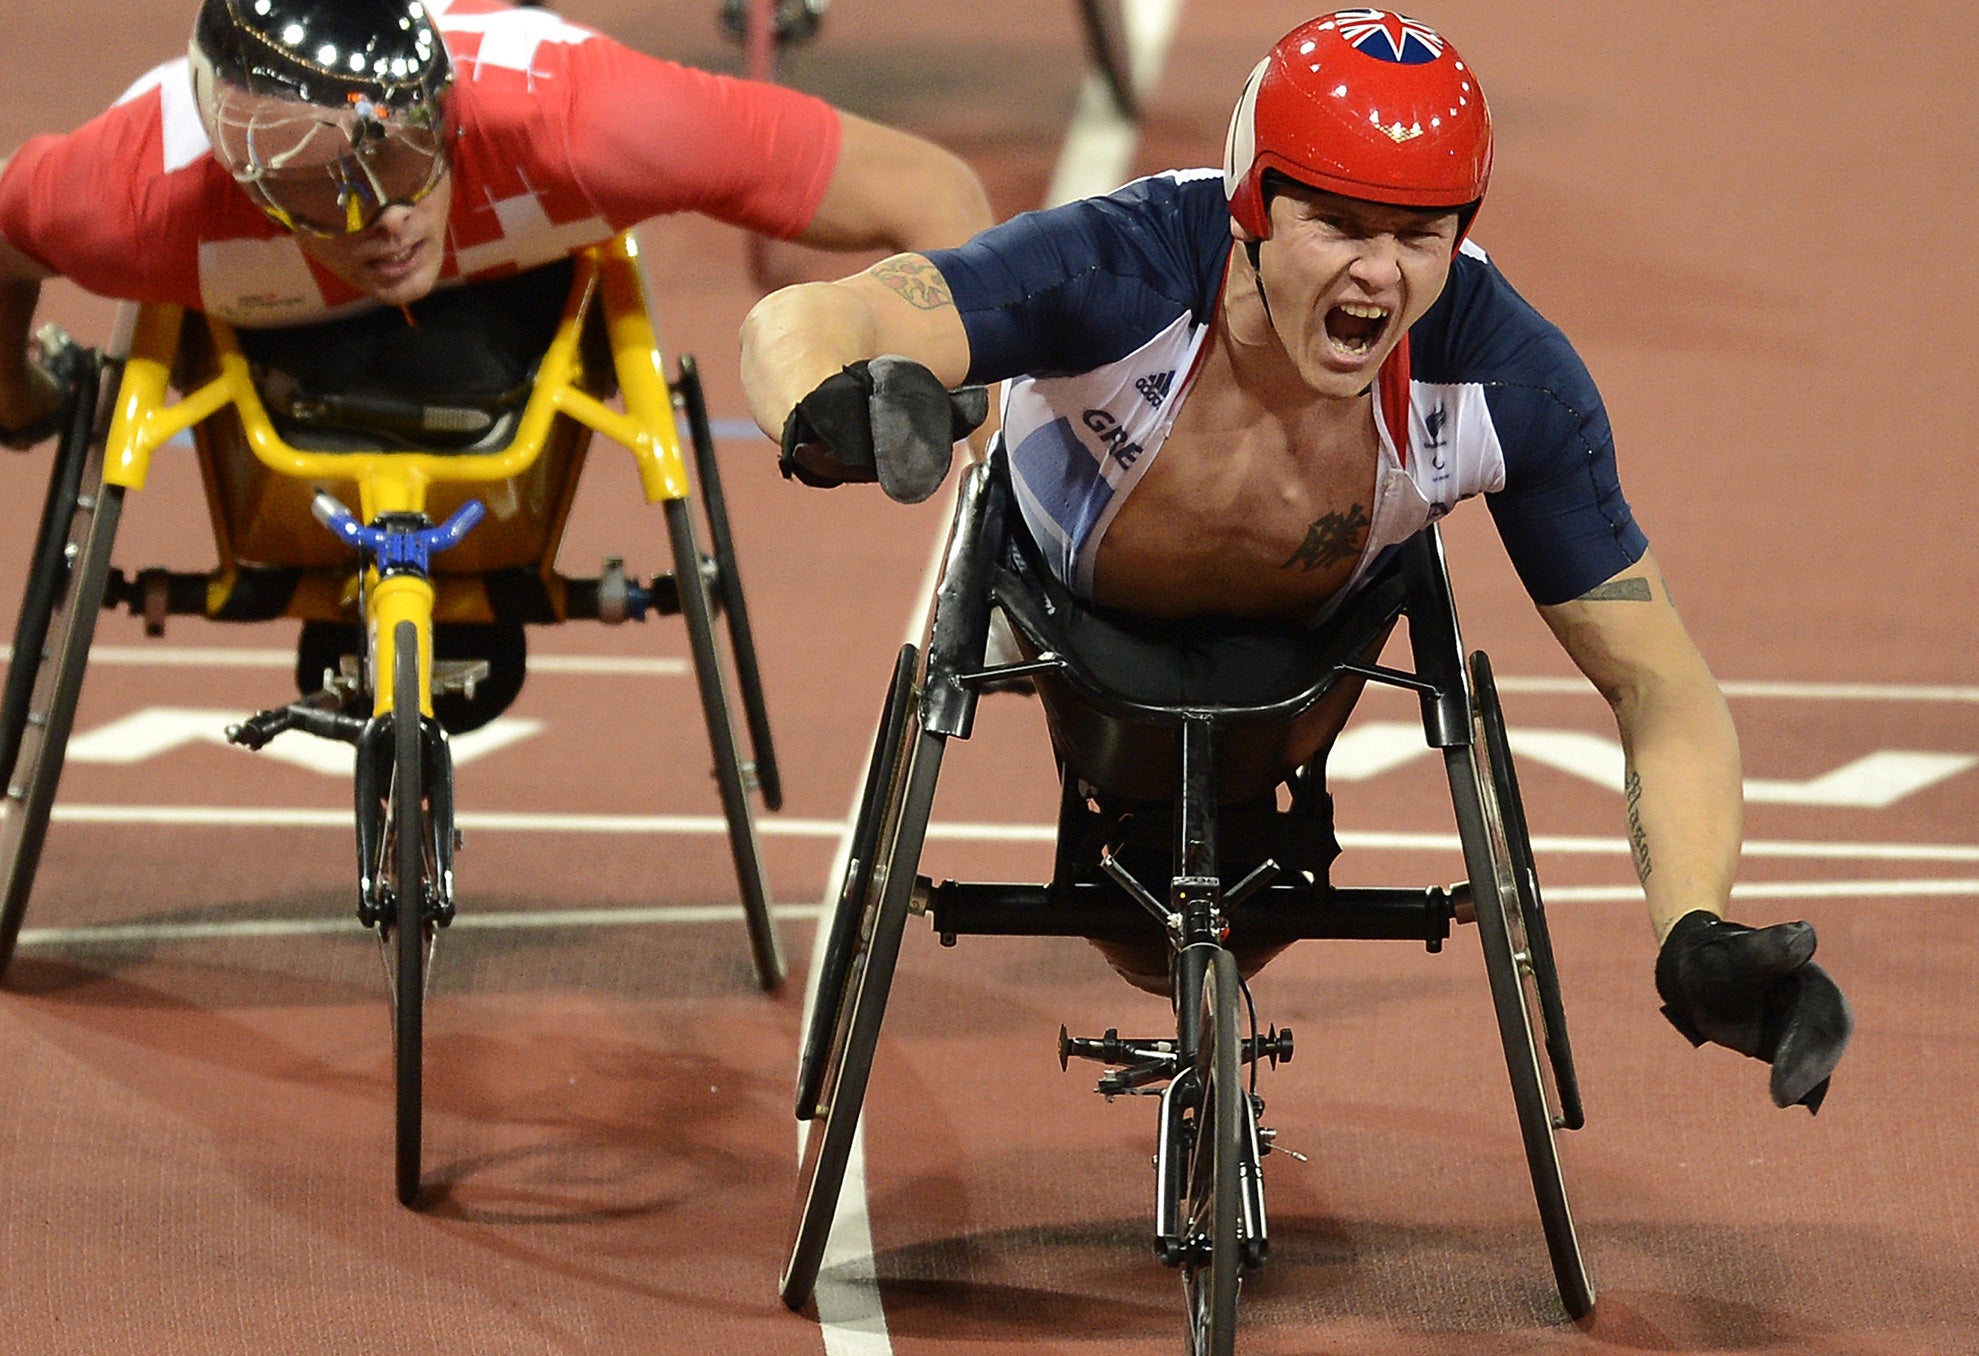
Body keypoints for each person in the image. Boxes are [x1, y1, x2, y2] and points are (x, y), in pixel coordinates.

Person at [738, 10, 1852, 1111]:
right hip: (1068, 629)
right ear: (1251, 203)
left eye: (1419, 235)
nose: (1375, 275)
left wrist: (1693, 928)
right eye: (1337, 223)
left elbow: (1658, 684)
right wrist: (821, 403)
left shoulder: (1509, 381)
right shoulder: (1115, 270)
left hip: (1305, 668)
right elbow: (814, 314)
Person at [0, 0, 992, 444]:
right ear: (237, 180)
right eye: (316, 192)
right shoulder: (131, 199)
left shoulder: (585, 121)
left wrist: (965, 410)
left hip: (531, 275)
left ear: (446, 115)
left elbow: (924, 185)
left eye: (398, 157)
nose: (380, 217)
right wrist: (14, 392)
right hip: (249, 320)